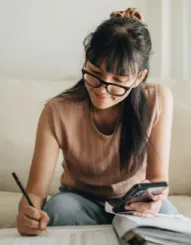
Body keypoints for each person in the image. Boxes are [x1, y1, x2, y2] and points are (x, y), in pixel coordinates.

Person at [16, 8, 179, 236]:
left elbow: (158, 179)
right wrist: (27, 211)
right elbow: (35, 192)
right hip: (79, 202)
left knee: (170, 218)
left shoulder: (157, 99)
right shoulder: (57, 111)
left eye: (118, 80)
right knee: (58, 209)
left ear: (139, 78)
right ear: (86, 61)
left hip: (133, 206)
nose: (103, 89)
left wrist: (154, 202)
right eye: (95, 73)